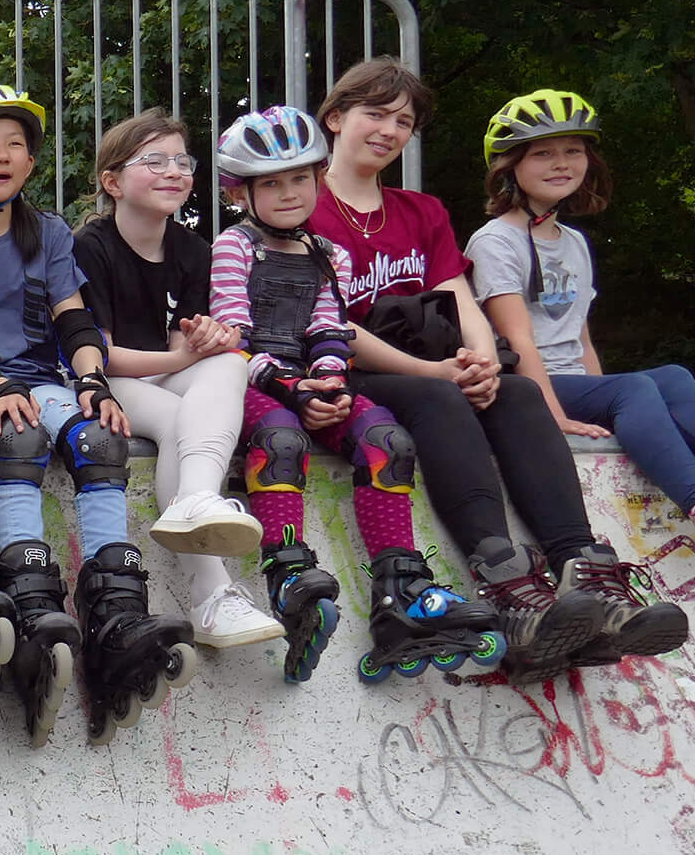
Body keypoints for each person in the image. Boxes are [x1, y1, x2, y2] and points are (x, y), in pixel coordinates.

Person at [0, 84, 195, 747]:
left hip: (41, 376)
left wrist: (93, 379)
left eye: (15, 144)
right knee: (18, 435)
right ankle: (30, 595)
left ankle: (115, 608)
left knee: (99, 439)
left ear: (31, 163)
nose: (3, 154)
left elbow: (74, 321)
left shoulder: (50, 232)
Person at [306, 58, 613, 675]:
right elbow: (331, 324)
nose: (390, 130)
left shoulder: (421, 210)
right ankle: (506, 585)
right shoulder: (298, 202)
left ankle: (586, 576)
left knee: (519, 393)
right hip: (347, 368)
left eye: (404, 121)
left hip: (435, 365)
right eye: (375, 114)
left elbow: (458, 295)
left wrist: (479, 359)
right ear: (335, 118)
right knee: (442, 401)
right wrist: (438, 375)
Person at [209, 107, 499, 683]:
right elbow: (233, 336)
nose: (290, 193)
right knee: (282, 438)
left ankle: (401, 590)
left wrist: (332, 381)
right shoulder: (234, 246)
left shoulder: (328, 255)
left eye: (300, 179)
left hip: (312, 379)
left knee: (387, 441)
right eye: (272, 183)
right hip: (248, 380)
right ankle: (288, 569)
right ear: (241, 193)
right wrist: (292, 388)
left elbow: (329, 328)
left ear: (318, 179)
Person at [467, 89, 690, 657]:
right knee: (637, 387)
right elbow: (516, 340)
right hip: (527, 383)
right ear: (510, 167)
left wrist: (603, 395)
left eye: (573, 151)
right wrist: (558, 415)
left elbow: (582, 336)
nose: (562, 164)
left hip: (571, 378)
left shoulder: (574, 242)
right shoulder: (496, 241)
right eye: (543, 154)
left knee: (675, 379)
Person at [73, 111, 279, 653]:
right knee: (173, 419)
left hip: (159, 371)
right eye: (154, 161)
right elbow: (101, 355)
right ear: (112, 181)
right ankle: (211, 593)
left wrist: (207, 339)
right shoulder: (90, 246)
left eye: (182, 162)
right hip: (100, 379)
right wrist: (185, 354)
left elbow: (178, 346)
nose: (174, 172)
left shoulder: (192, 249)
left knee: (232, 362)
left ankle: (194, 499)